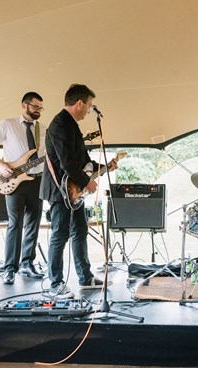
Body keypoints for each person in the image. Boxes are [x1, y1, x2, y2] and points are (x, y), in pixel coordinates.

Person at [40, 84, 117, 298]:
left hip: (73, 189)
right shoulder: (60, 124)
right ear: (79, 103)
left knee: (80, 231)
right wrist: (86, 182)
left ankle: (85, 277)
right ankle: (55, 283)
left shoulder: (71, 125)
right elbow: (67, 162)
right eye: (89, 106)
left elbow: (82, 162)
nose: (89, 111)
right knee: (60, 235)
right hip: (60, 190)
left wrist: (104, 168)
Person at [0, 92, 46, 284]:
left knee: (33, 223)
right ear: (24, 105)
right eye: (35, 107)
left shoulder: (43, 128)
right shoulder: (8, 124)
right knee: (14, 223)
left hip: (37, 179)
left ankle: (27, 264)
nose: (38, 111)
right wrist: (1, 166)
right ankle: (10, 268)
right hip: (13, 181)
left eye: (40, 108)